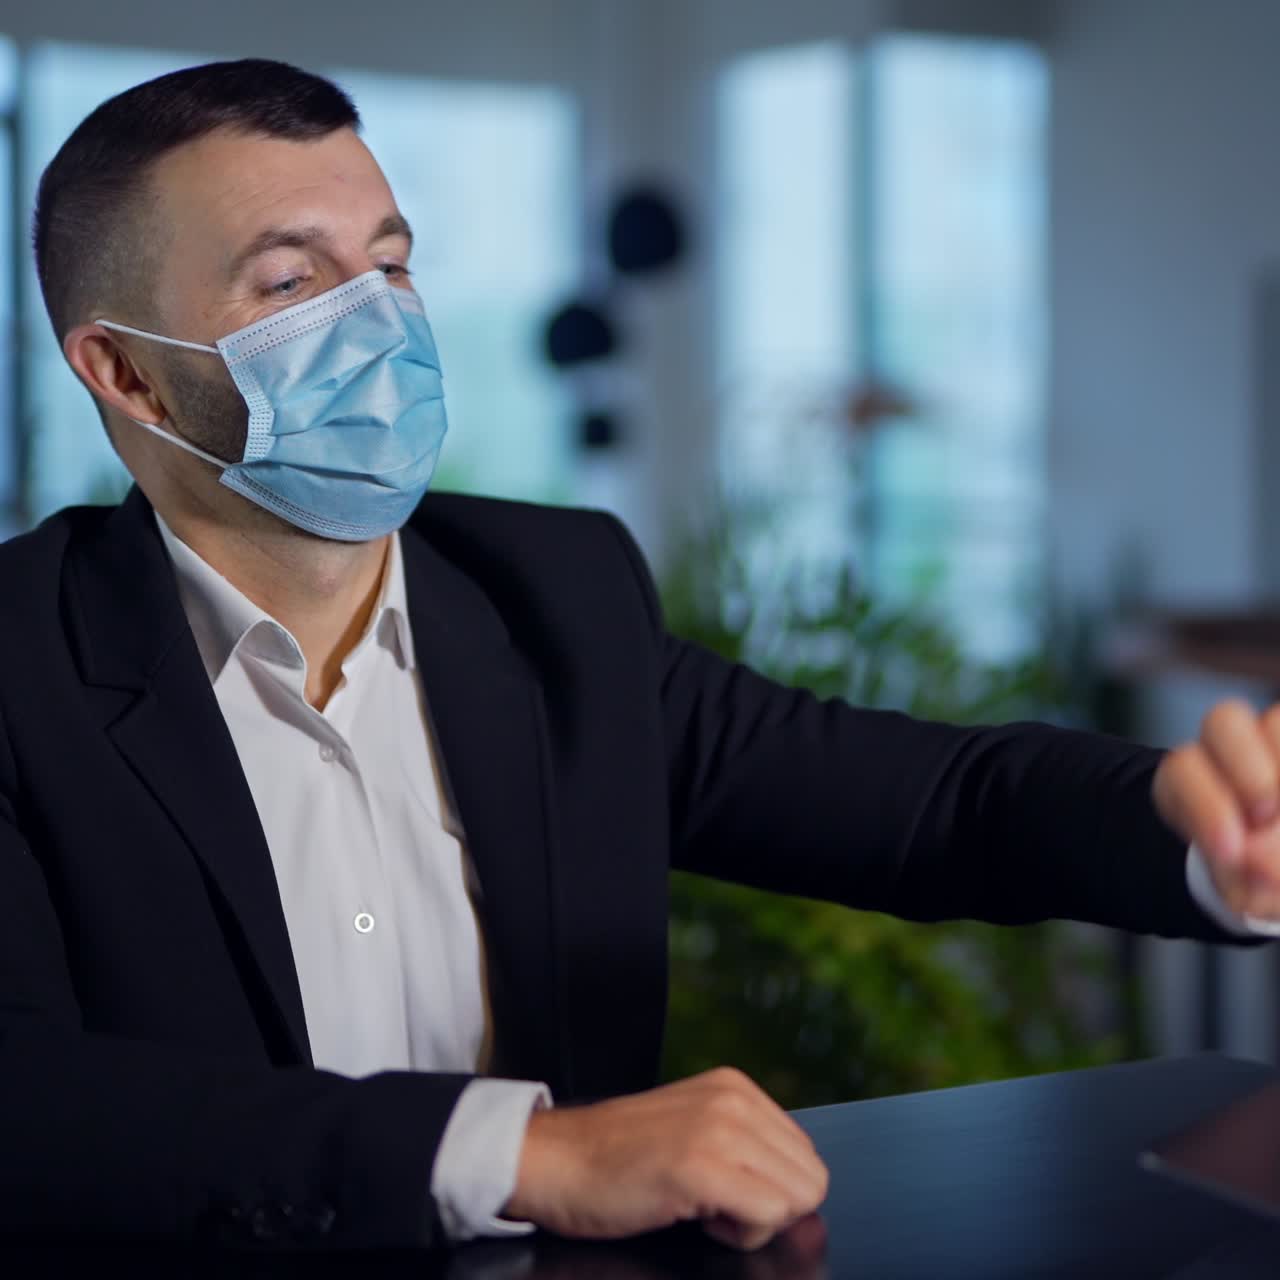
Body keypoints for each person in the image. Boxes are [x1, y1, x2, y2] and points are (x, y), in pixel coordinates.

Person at [1, 57, 1275, 1254]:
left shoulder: (555, 600)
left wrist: (1196, 828)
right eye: (290, 284)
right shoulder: (21, 664)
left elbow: (936, 804)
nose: (376, 322)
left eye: (388, 263)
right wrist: (518, 1154)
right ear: (128, 377)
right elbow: (35, 1098)